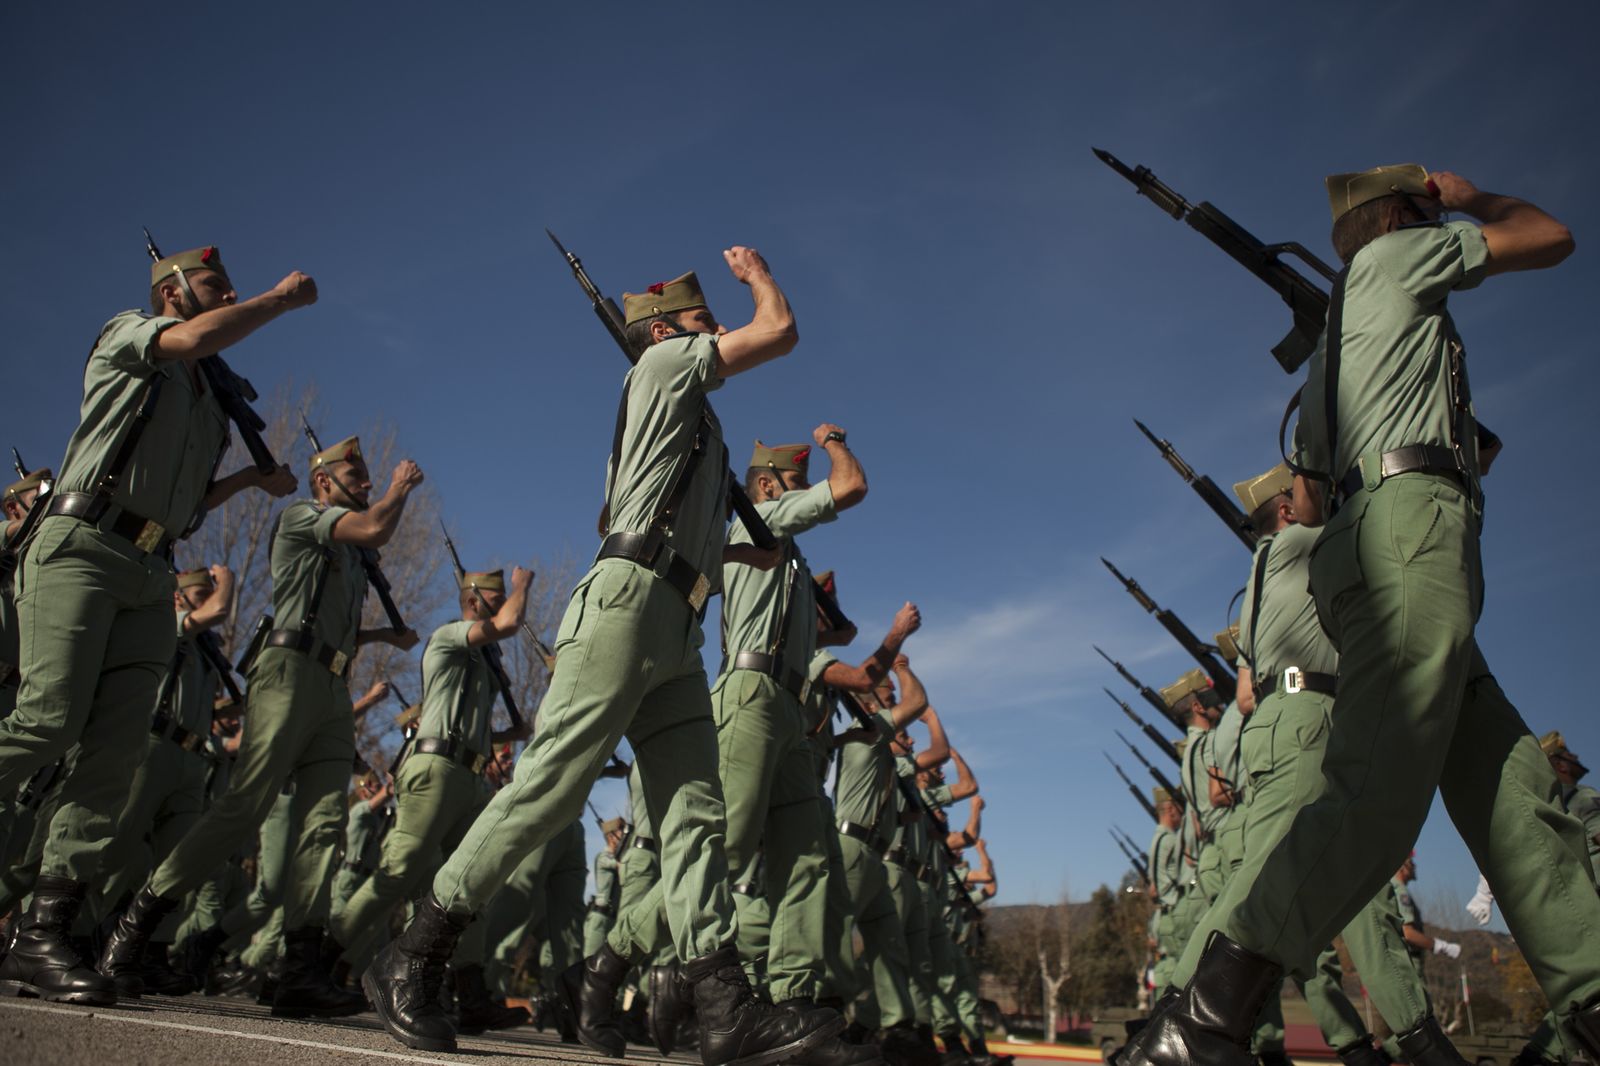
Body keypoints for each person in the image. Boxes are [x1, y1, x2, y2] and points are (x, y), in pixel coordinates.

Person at [365, 249, 843, 1066]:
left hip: (678, 623)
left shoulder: (697, 424)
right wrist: (758, 273)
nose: (714, 329)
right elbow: (779, 331)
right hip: (627, 604)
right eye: (701, 320)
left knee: (696, 816)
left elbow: (676, 527)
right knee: (550, 787)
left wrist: (740, 556)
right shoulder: (662, 366)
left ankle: (723, 1004)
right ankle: (413, 952)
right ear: (662, 330)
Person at [0, 245, 305, 1004]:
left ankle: (42, 933)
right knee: (47, 719)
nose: (227, 292)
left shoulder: (208, 400)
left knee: (112, 755)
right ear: (171, 290)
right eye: (213, 284)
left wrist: (250, 479)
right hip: (81, 547)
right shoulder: (130, 334)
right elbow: (194, 340)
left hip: (150, 568)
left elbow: (189, 505)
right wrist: (274, 300)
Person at [100, 434, 424, 1018]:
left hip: (331, 683)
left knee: (325, 825)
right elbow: (376, 526)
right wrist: (400, 488)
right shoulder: (303, 516)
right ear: (324, 481)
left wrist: (382, 638)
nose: (369, 483)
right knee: (245, 804)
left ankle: (297, 968)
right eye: (357, 475)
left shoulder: (350, 558)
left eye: (373, 478)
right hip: (288, 672)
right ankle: (135, 926)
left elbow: (341, 627)